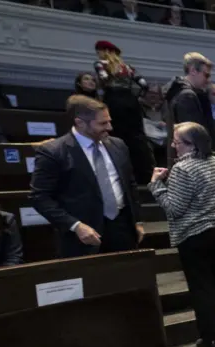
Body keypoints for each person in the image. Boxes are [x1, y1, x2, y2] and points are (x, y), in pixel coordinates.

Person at [148, 122, 215, 347]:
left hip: (197, 235)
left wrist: (156, 186)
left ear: (191, 144)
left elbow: (174, 209)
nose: (173, 145)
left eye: (176, 142)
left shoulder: (183, 169)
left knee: (202, 287)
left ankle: (209, 339)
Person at [31, 95, 143, 259]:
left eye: (109, 121)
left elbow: (129, 185)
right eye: (102, 123)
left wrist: (137, 221)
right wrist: (75, 225)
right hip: (81, 234)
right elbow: (39, 197)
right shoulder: (54, 151)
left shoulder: (118, 145)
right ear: (80, 123)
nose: (110, 127)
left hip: (122, 228)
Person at [93, 41, 154, 187]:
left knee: (115, 137)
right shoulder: (128, 67)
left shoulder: (101, 64)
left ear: (104, 51)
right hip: (131, 101)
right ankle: (144, 176)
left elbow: (104, 78)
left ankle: (119, 176)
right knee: (137, 138)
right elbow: (144, 84)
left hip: (113, 101)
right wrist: (136, 97)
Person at [164, 52, 215, 164]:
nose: (208, 80)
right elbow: (192, 137)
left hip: (181, 158)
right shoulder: (187, 96)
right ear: (193, 70)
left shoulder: (176, 92)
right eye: (206, 75)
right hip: (191, 162)